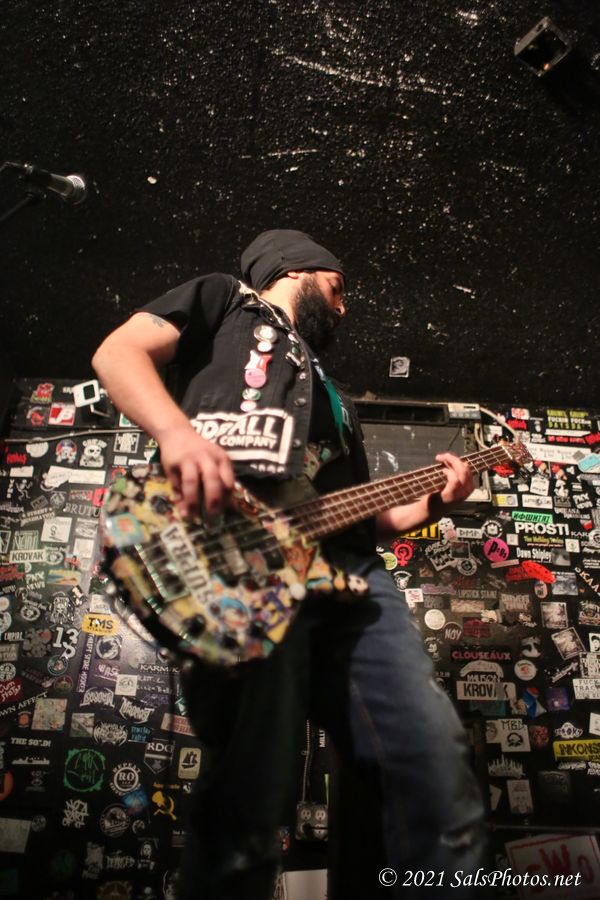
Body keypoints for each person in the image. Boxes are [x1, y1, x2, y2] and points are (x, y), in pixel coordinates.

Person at [92, 229, 487, 900]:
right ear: (295, 269)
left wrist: (437, 502)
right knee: (250, 798)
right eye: (337, 289)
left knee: (430, 765)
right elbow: (118, 351)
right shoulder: (224, 299)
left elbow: (361, 517)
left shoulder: (337, 401)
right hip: (238, 563)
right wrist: (176, 433)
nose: (343, 307)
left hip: (350, 578)